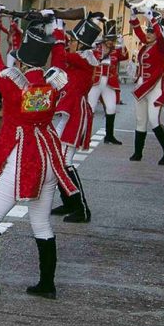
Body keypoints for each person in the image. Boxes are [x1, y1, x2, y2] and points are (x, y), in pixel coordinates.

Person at [0, 5, 76, 301]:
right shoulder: (54, 81)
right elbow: (61, 56)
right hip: (48, 154)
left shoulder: (14, 85)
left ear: (23, 61)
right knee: (41, 222)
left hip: (21, 156)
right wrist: (57, 26)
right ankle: (47, 284)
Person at [49, 14, 102, 223]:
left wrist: (57, 30)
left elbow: (60, 56)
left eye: (73, 40)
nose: (70, 43)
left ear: (80, 43)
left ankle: (81, 208)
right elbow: (58, 61)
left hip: (76, 113)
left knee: (64, 161)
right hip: (71, 111)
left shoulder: (82, 58)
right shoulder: (80, 57)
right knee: (61, 160)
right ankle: (69, 202)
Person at [127, 7, 164, 165]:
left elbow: (160, 37)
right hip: (142, 87)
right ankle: (138, 153)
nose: (149, 33)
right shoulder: (146, 45)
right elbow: (139, 32)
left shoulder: (162, 47)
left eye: (152, 31)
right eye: (149, 31)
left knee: (154, 120)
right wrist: (134, 17)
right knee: (140, 120)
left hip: (156, 87)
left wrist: (153, 19)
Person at [87, 20, 128, 144]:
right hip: (95, 83)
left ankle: (109, 136)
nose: (112, 42)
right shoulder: (95, 48)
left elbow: (125, 56)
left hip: (109, 84)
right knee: (90, 109)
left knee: (111, 108)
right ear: (104, 39)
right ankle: (85, 136)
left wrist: (123, 44)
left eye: (113, 39)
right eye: (110, 39)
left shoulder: (116, 50)